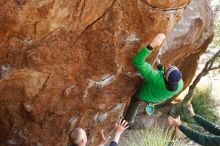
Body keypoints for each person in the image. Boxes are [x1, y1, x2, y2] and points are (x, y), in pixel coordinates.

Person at [125, 33, 184, 123]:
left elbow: (138, 62)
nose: (169, 64)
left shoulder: (156, 78)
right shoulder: (180, 83)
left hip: (145, 95)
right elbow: (168, 79)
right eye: (172, 66)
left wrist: (151, 46)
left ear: (165, 77)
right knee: (148, 97)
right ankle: (146, 108)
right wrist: (160, 67)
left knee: (135, 100)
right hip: (158, 98)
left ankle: (128, 120)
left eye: (168, 68)